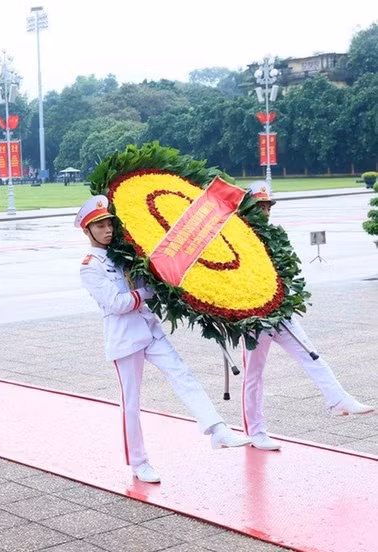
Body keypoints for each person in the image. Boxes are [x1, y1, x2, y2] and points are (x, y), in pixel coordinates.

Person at [77, 195, 250, 484]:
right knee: (131, 402)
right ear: (87, 231)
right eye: (100, 225)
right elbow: (117, 303)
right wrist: (147, 292)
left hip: (149, 328)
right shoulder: (89, 266)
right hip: (124, 338)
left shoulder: (124, 253)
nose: (107, 229)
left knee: (182, 374)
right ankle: (139, 462)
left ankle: (217, 429)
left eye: (109, 223)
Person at [241, 182, 374, 451]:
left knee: (311, 354)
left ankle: (338, 399)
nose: (265, 211)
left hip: (281, 313)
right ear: (248, 208)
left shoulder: (275, 235)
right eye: (259, 206)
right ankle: (255, 431)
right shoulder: (237, 238)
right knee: (254, 375)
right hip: (254, 318)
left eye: (267, 206)